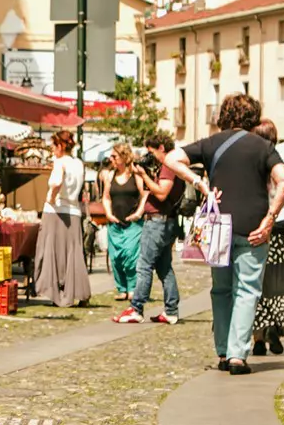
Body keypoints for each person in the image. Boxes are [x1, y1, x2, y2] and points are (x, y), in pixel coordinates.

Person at [166, 95, 284, 374]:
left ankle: (223, 352)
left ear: (224, 115)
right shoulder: (263, 146)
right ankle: (238, 355)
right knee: (247, 290)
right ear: (253, 117)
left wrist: (200, 183)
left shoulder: (210, 143)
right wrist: (271, 218)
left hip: (217, 225)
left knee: (220, 290)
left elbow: (172, 158)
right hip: (253, 226)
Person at [121, 130, 183, 324]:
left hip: (157, 221)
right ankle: (171, 310)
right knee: (164, 268)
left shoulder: (169, 165)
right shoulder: (172, 165)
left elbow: (162, 193)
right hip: (165, 221)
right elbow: (148, 191)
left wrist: (144, 176)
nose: (152, 156)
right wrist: (144, 174)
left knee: (144, 265)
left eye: (152, 152)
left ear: (161, 148)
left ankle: (136, 308)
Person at [249, 121, 284, 355]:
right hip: (281, 230)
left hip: (256, 229)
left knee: (255, 282)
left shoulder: (250, 164)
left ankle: (258, 336)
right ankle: (275, 330)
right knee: (280, 284)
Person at [33, 128, 91, 307]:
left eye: (53, 145)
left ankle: (56, 292)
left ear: (60, 145)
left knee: (52, 251)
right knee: (73, 252)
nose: (52, 149)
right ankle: (78, 292)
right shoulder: (79, 163)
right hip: (73, 212)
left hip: (57, 210)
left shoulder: (60, 163)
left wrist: (50, 199)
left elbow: (57, 183)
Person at [97, 143, 151, 304]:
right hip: (115, 222)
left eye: (115, 156)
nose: (111, 159)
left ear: (124, 157)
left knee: (130, 256)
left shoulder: (136, 175)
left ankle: (132, 288)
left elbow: (145, 195)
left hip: (133, 222)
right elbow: (106, 196)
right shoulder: (110, 176)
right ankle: (121, 289)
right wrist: (108, 213)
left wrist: (139, 213)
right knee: (116, 257)